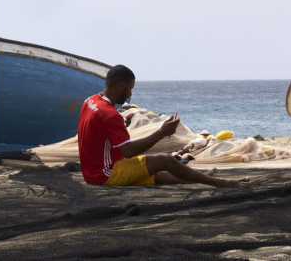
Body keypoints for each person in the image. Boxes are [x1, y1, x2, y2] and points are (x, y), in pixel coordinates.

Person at [77, 65, 250, 188]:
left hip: (90, 172)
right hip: (105, 174)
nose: (131, 93)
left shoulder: (90, 101)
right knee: (164, 159)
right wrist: (161, 132)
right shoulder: (110, 114)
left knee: (154, 169)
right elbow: (128, 152)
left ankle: (198, 178)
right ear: (122, 85)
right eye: (130, 88)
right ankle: (220, 183)